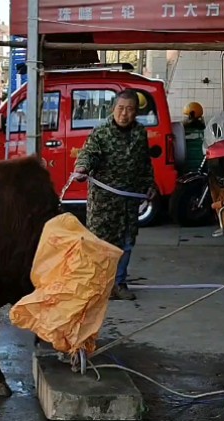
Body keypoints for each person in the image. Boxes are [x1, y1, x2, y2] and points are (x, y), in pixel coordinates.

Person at [73, 88, 156, 301]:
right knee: (100, 244)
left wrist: (149, 185)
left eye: (129, 109)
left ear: (136, 112)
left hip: (128, 202)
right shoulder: (101, 132)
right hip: (104, 202)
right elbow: (88, 154)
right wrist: (82, 169)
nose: (124, 114)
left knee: (126, 243)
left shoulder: (139, 133)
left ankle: (119, 284)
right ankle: (97, 286)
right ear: (113, 109)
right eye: (120, 108)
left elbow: (145, 163)